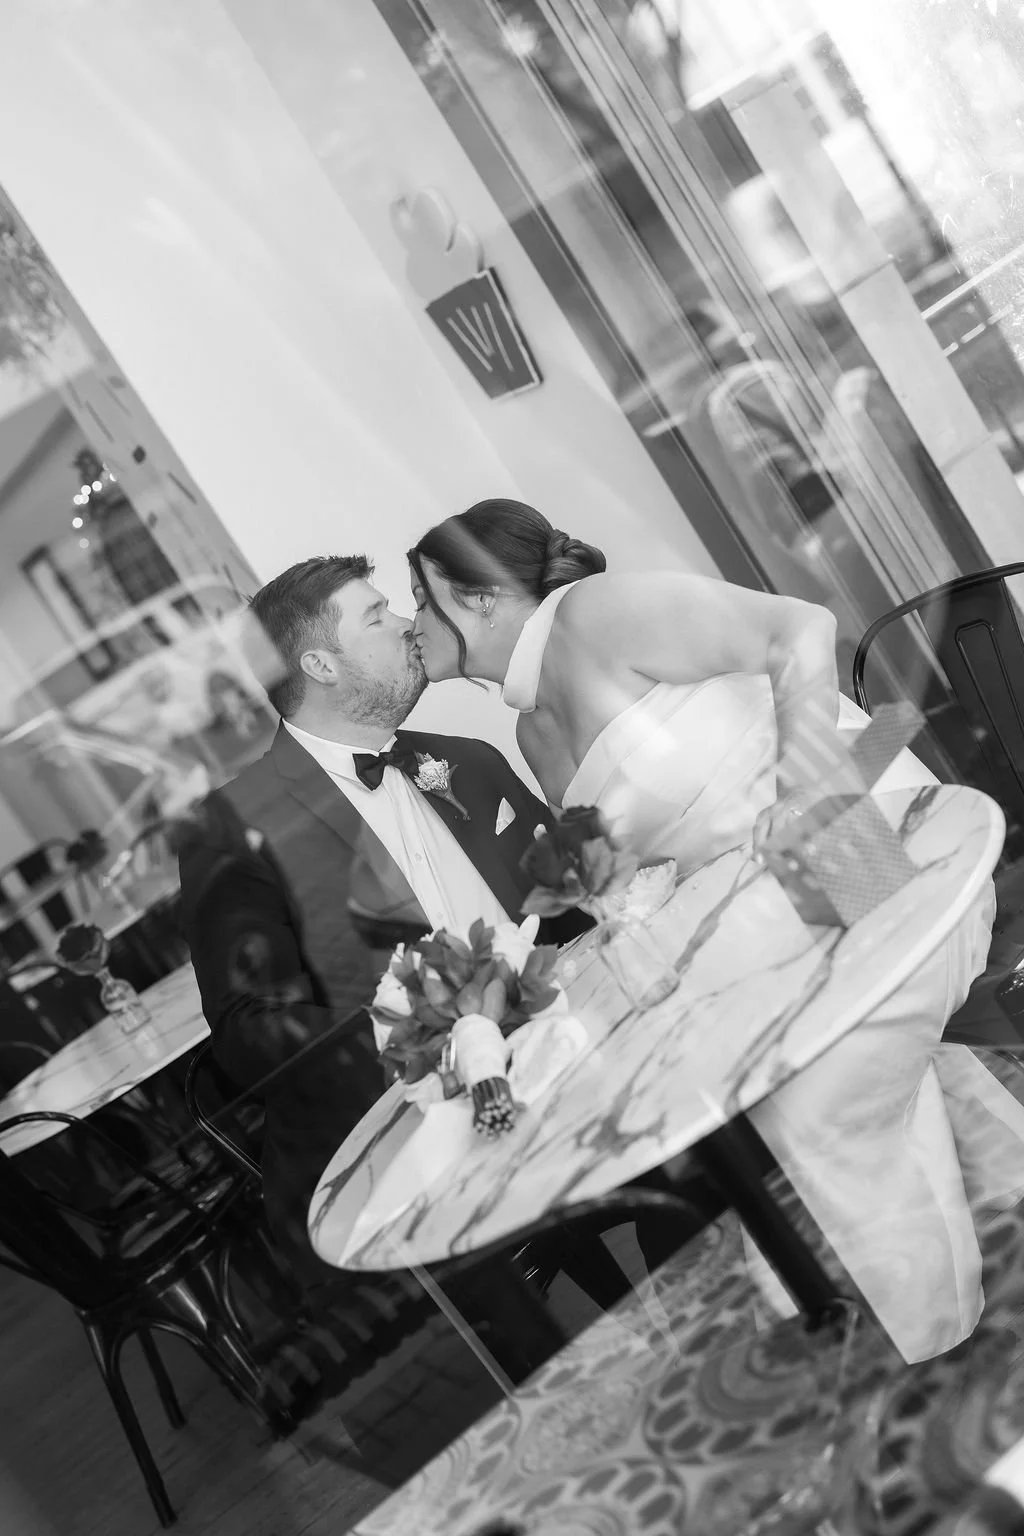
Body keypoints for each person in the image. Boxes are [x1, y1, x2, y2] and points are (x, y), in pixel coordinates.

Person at [408, 497, 1024, 1364]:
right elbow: (657, 864)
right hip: (769, 909)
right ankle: (904, 1305)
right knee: (727, 1070)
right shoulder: (527, 728)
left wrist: (806, 788)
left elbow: (802, 629)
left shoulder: (595, 612)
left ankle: (927, 1342)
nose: (407, 622)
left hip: (868, 831)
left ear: (477, 598)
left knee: (814, 1081)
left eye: (417, 596)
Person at [177, 554, 584, 1294]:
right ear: (320, 664)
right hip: (416, 1139)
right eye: (377, 615)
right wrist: (425, 1045)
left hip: (571, 1066)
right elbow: (249, 1028)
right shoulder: (234, 826)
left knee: (701, 1169)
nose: (406, 624)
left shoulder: (469, 761)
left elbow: (569, 913)